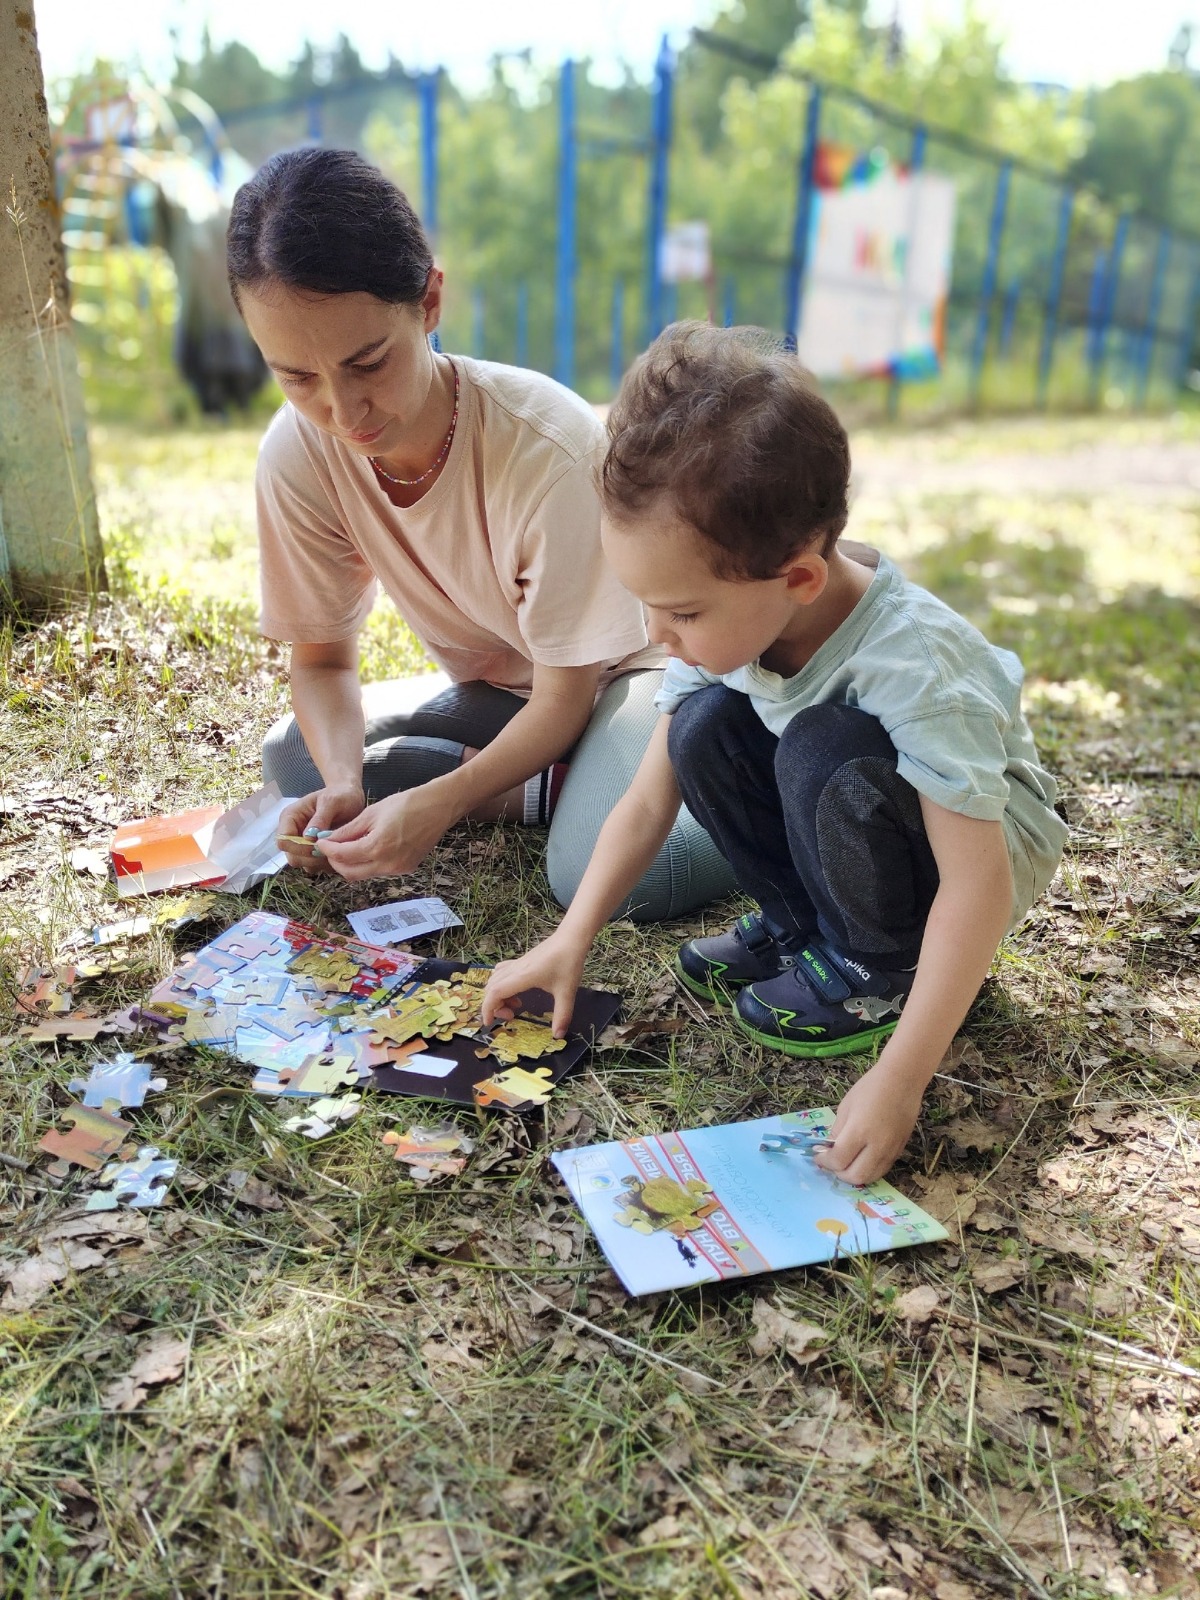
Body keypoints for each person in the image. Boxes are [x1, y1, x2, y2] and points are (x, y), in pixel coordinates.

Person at [482, 323, 1068, 1186]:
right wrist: (569, 940)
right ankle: (809, 933)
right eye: (644, 604)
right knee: (701, 724)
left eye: (680, 611)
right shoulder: (732, 625)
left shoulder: (914, 669)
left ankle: (878, 968)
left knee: (820, 747)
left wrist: (901, 1078)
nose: (655, 636)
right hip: (859, 803)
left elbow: (978, 885)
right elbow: (647, 804)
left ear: (797, 578)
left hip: (978, 856)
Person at [225, 148, 733, 919]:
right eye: (297, 377)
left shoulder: (546, 446)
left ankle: (732, 778)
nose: (344, 411)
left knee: (633, 875)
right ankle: (555, 789)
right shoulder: (298, 453)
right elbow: (323, 661)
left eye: (368, 362)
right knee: (296, 757)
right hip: (508, 693)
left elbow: (569, 695)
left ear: (429, 300)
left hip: (628, 679)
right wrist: (343, 786)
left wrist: (441, 803)